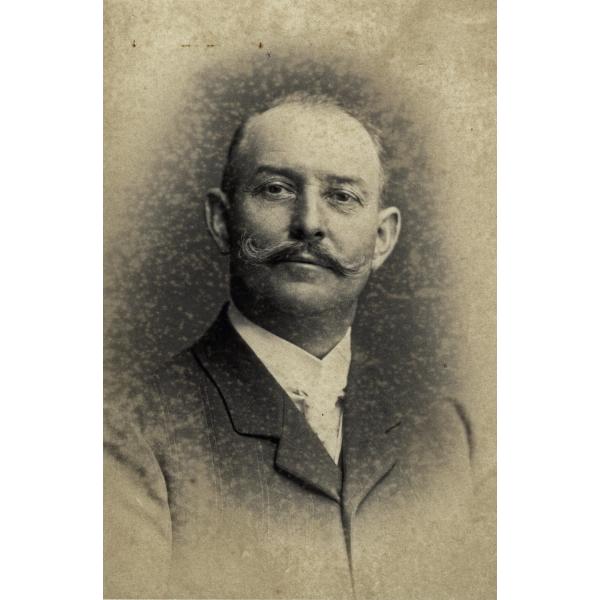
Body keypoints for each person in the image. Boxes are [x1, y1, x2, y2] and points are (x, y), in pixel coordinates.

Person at [104, 93, 479, 599]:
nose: (308, 223)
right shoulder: (127, 432)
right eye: (277, 189)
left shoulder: (446, 434)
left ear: (382, 238)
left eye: (342, 196)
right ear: (222, 219)